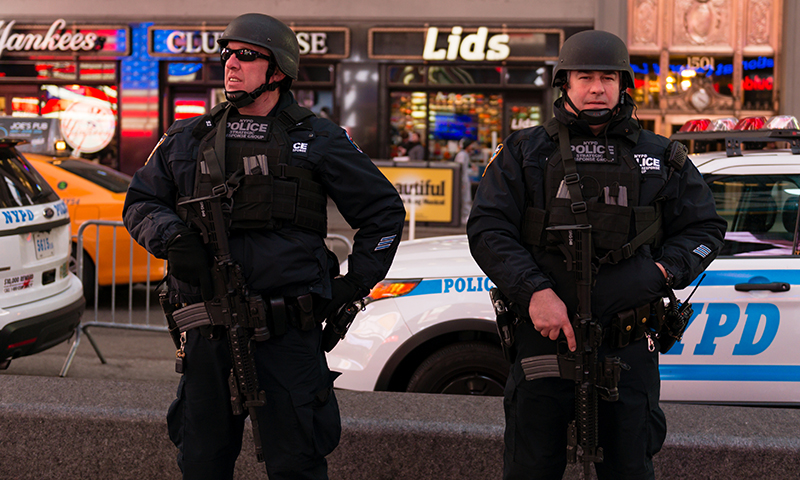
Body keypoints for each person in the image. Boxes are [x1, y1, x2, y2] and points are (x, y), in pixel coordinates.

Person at [123, 13, 405, 480]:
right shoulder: (187, 138)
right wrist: (171, 237)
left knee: (296, 462)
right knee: (201, 461)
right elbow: (140, 202)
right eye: (227, 54)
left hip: (285, 336)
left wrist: (352, 284)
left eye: (247, 55)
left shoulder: (318, 138)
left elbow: (384, 215)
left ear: (278, 71)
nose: (231, 64)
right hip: (208, 333)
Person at [467, 30, 725, 480]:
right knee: (530, 465)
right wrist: (534, 292)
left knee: (629, 466)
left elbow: (706, 229)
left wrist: (663, 270)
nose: (596, 87)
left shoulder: (662, 156)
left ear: (623, 84)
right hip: (544, 339)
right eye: (584, 76)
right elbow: (488, 229)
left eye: (608, 77)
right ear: (564, 83)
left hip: (628, 344)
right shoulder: (524, 151)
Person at [454, 137, 478, 225]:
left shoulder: (465, 154)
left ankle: (466, 216)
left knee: (466, 198)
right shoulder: (462, 155)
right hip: (463, 180)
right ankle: (465, 216)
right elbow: (460, 169)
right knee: (465, 198)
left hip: (464, 179)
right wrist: (461, 181)